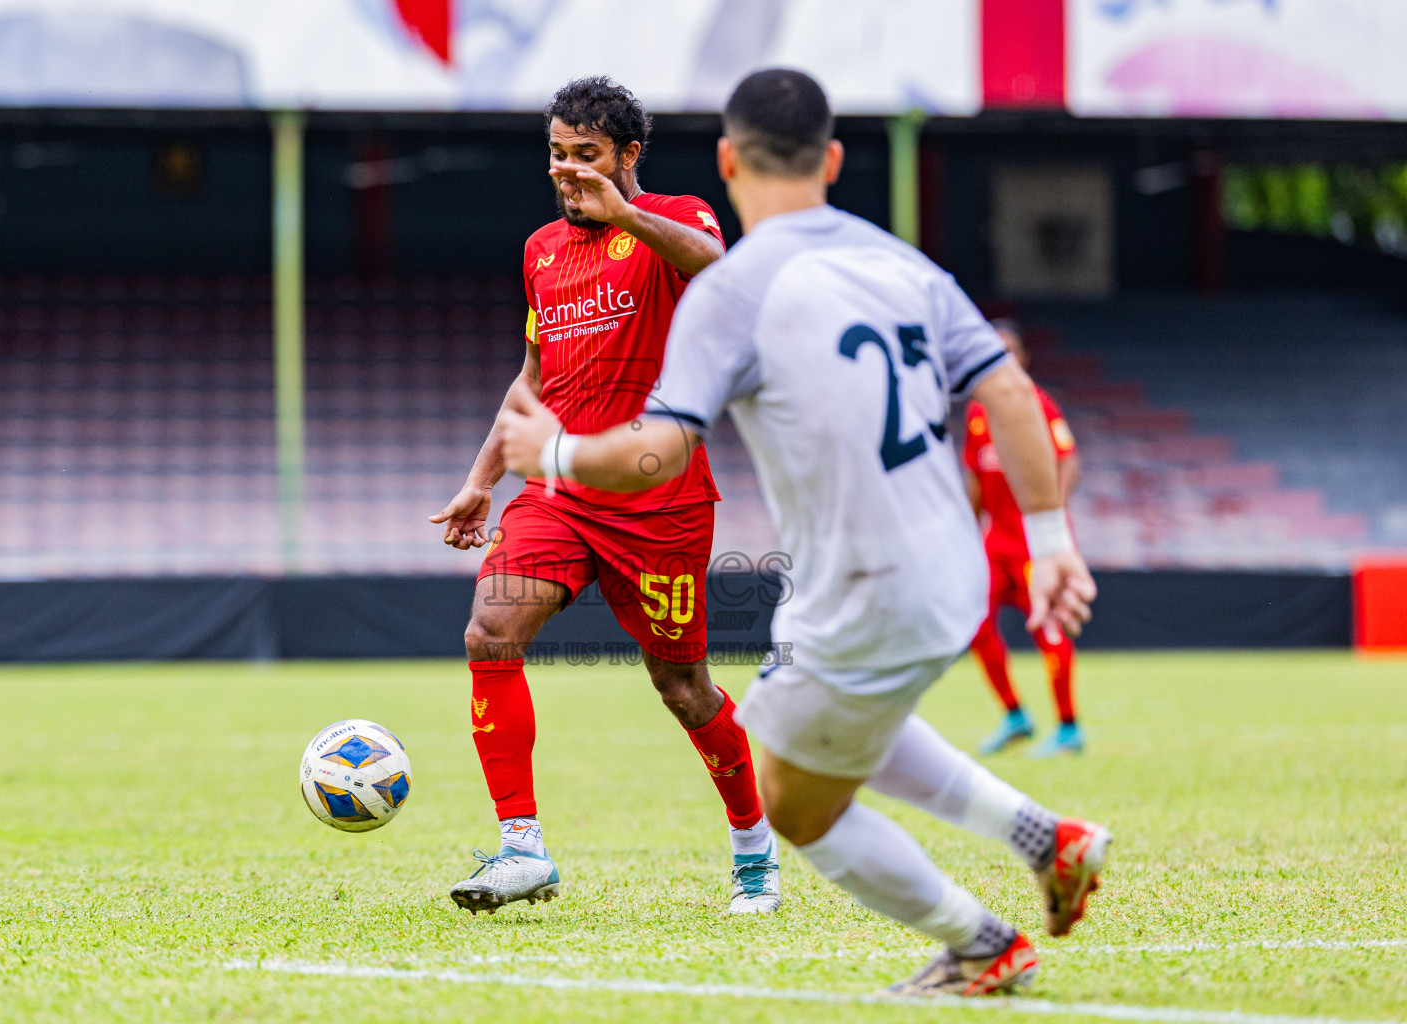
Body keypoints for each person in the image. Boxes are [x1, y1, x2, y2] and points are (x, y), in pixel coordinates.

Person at [495, 69, 1110, 997]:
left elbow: (655, 456)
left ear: (726, 162)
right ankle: (1047, 838)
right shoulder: (904, 264)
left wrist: (554, 455)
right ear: (830, 160)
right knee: (842, 727)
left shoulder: (736, 289)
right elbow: (1012, 393)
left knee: (792, 797)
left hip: (862, 582)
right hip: (953, 572)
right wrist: (1055, 540)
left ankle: (983, 943)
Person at [428, 76, 780, 917]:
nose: (566, 171)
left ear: (628, 157)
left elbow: (721, 276)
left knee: (683, 686)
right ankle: (522, 849)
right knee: (490, 629)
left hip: (659, 498)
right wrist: (483, 480)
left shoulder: (679, 216)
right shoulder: (540, 250)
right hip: (559, 490)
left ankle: (753, 845)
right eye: (556, 153)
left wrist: (624, 215)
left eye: (586, 155)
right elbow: (534, 377)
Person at [964, 319, 1086, 757]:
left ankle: (1069, 726)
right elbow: (975, 477)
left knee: (1049, 627)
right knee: (974, 624)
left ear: (1024, 358)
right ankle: (1015, 714)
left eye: (1011, 351)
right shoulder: (978, 414)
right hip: (995, 543)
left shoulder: (1038, 404)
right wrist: (967, 531)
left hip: (1034, 544)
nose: (1004, 360)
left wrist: (1051, 519)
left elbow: (1069, 462)